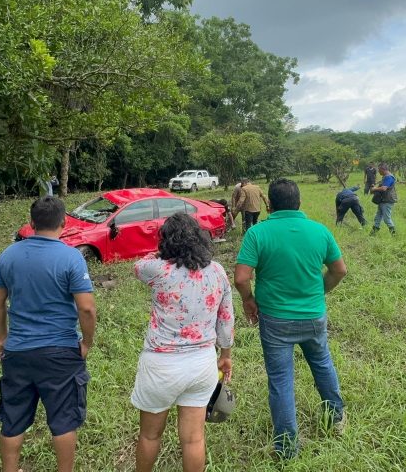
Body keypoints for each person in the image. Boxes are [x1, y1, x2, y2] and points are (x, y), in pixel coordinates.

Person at [234, 178, 348, 459]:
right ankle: (336, 420)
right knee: (322, 364)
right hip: (313, 316)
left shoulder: (257, 233)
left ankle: (286, 448)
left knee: (281, 380)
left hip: (275, 319)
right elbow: (339, 270)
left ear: (270, 205)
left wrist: (249, 300)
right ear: (299, 203)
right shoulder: (319, 231)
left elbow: (241, 278)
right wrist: (319, 291)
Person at [0, 196, 97, 472]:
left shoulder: (8, 255)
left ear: (31, 223)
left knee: (12, 419)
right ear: (64, 222)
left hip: (17, 350)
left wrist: (1, 339)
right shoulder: (71, 257)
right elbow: (86, 308)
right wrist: (86, 342)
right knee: (63, 420)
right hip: (61, 351)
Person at [131, 213, 235, 472]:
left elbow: (138, 266)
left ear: (166, 242)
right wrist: (225, 355)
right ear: (200, 239)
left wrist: (162, 254)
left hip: (161, 366)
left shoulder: (158, 269)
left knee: (150, 436)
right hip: (202, 363)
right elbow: (226, 318)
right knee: (193, 439)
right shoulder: (217, 271)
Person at [369, 163, 397, 235]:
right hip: (383, 200)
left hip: (387, 200)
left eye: (379, 170)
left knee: (387, 219)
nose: (378, 171)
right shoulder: (385, 177)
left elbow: (384, 188)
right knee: (377, 217)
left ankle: (394, 235)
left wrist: (374, 189)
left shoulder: (389, 177)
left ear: (383, 169)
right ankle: (372, 234)